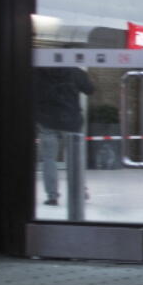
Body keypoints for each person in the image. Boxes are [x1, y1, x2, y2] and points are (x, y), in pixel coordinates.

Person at [34, 66, 94, 206]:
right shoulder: (75, 72)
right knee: (75, 158)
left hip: (46, 120)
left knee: (49, 159)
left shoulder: (38, 72)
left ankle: (52, 196)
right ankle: (80, 190)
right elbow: (90, 90)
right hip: (71, 121)